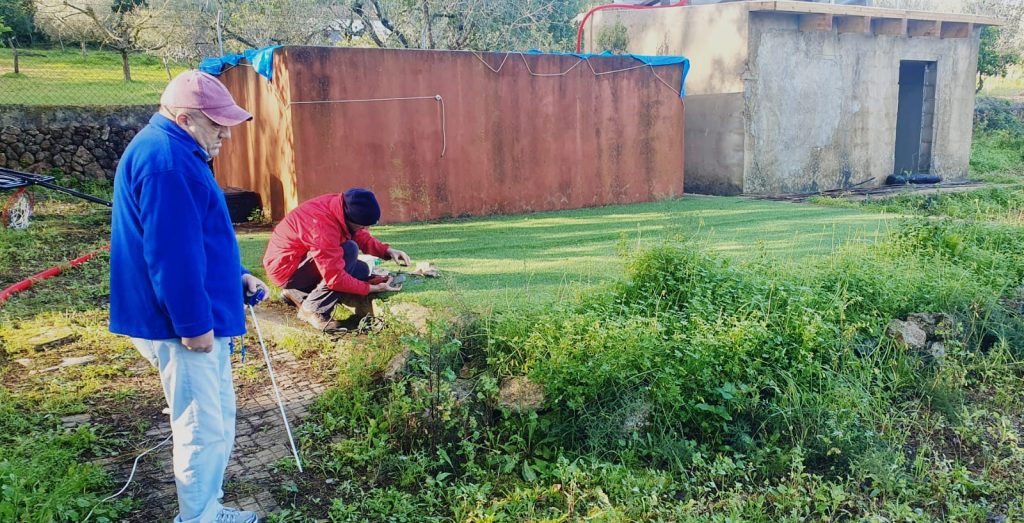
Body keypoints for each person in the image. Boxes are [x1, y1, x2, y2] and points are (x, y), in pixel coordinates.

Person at [109, 70, 269, 523]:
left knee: (214, 418)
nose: (225, 133)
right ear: (184, 118)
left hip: (195, 315)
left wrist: (235, 275)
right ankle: (199, 518)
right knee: (201, 425)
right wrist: (194, 325)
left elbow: (194, 237)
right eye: (216, 123)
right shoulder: (168, 162)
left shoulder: (177, 151)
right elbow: (171, 255)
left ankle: (208, 510)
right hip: (184, 326)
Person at [262, 188, 409, 331]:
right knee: (350, 250)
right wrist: (371, 288)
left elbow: (357, 233)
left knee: (362, 270)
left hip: (299, 261)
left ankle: (295, 293)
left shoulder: (341, 207)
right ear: (350, 218)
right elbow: (335, 278)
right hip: (286, 270)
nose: (365, 228)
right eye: (362, 225)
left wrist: (387, 251)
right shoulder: (321, 225)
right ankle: (312, 309)